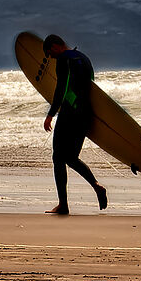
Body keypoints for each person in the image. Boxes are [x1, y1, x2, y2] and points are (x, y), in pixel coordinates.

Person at [41, 33, 108, 216]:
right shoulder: (84, 59)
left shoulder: (64, 59)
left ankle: (63, 205)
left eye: (50, 53)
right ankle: (96, 185)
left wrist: (50, 114)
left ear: (55, 46)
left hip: (69, 114)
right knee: (71, 158)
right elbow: (92, 89)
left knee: (58, 157)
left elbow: (61, 88)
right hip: (85, 115)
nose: (51, 57)